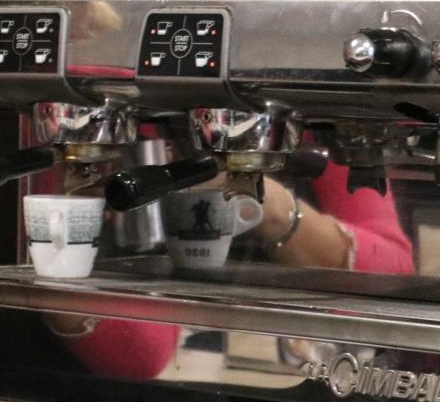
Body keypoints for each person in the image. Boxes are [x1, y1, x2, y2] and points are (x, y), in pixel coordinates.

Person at [46, 162, 414, 380]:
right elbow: (144, 360)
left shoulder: (332, 118)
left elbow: (395, 273)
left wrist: (272, 209)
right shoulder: (116, 128)